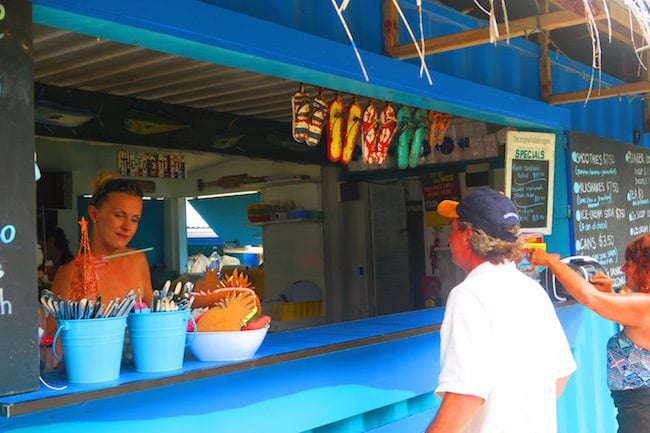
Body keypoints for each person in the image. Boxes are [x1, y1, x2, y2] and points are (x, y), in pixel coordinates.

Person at [426, 187, 576, 433]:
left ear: (468, 235)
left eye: (453, 229)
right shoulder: (532, 290)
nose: (449, 238)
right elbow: (561, 374)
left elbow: (465, 396)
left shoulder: (468, 296)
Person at [530, 235, 650, 433]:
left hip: (641, 415)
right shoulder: (642, 306)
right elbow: (632, 324)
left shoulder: (644, 305)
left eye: (629, 262)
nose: (623, 269)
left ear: (645, 267)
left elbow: (591, 298)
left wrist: (551, 262)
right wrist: (609, 295)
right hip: (635, 412)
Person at [50, 171, 153, 307]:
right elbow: (53, 329)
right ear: (94, 214)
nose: (127, 227)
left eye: (134, 219)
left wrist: (190, 305)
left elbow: (155, 315)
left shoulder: (138, 260)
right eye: (119, 215)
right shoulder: (72, 273)